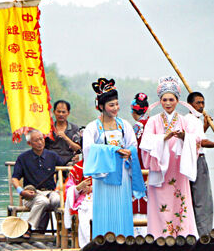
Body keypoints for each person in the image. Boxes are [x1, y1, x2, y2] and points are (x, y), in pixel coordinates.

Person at [82, 78, 146, 238]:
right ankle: (103, 244)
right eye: (111, 105)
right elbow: (89, 150)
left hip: (122, 175)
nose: (116, 108)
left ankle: (124, 242)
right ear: (101, 106)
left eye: (117, 104)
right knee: (104, 210)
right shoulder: (92, 127)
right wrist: (113, 150)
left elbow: (133, 145)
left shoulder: (124, 125)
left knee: (122, 209)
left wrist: (129, 151)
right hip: (103, 176)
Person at [140, 76, 200, 238]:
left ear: (177, 100)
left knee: (179, 201)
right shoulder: (153, 121)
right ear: (160, 101)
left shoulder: (184, 121)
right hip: (159, 170)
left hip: (178, 170)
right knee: (160, 204)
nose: (168, 103)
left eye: (171, 100)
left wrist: (183, 137)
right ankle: (159, 236)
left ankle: (182, 235)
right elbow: (145, 143)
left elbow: (196, 140)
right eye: (164, 99)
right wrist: (164, 138)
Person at [185, 91, 214, 237]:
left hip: (189, 160)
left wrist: (205, 126)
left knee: (195, 198)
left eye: (203, 103)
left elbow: (195, 139)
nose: (201, 106)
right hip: (198, 161)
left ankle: (197, 232)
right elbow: (201, 142)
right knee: (203, 200)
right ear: (190, 105)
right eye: (198, 103)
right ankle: (205, 234)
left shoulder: (188, 120)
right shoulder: (192, 120)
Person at [11, 129, 67, 235]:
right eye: (36, 140)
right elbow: (15, 178)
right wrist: (21, 192)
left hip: (50, 192)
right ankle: (28, 227)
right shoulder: (23, 158)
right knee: (43, 201)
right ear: (29, 143)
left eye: (41, 139)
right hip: (31, 194)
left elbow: (64, 173)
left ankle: (63, 228)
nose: (40, 142)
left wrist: (60, 188)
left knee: (57, 199)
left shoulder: (52, 156)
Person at [64, 159, 93, 247]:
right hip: (84, 200)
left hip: (104, 199)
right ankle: (87, 245)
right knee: (85, 214)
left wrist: (94, 189)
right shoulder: (78, 167)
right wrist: (78, 187)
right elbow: (69, 189)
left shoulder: (107, 164)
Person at [130, 92, 150, 219]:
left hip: (139, 165)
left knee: (138, 200)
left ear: (133, 111)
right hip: (152, 166)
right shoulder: (153, 123)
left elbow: (132, 148)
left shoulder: (137, 127)